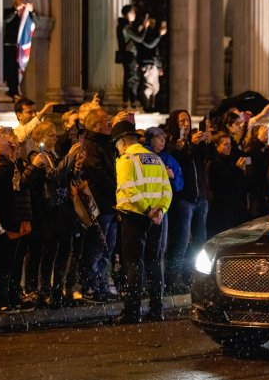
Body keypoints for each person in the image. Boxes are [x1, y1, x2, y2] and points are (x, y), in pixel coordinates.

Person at [111, 120, 172, 323]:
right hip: (156, 220)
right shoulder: (155, 158)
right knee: (154, 264)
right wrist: (160, 211)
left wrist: (147, 210)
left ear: (122, 141)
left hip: (135, 217)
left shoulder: (126, 159)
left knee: (133, 265)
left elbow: (129, 189)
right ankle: (157, 310)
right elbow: (167, 190)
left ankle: (132, 312)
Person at [22, 122, 73, 308]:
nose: (55, 137)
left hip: (60, 210)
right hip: (46, 211)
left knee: (57, 251)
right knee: (41, 253)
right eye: (51, 135)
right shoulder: (38, 156)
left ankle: (54, 290)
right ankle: (37, 290)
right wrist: (70, 158)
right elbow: (53, 175)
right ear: (41, 138)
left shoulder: (53, 155)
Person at [164, 110, 209, 293]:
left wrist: (206, 141)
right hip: (184, 200)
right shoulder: (170, 144)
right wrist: (188, 145)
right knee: (180, 242)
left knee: (199, 242)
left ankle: (194, 277)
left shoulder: (194, 143)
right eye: (182, 121)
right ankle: (173, 279)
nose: (186, 124)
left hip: (200, 199)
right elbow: (177, 159)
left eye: (188, 120)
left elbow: (207, 157)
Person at [76, 109, 118, 303]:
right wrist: (118, 189)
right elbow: (99, 175)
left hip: (110, 205)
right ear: (94, 126)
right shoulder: (92, 146)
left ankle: (100, 285)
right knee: (96, 248)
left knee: (106, 248)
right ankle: (90, 286)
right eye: (106, 121)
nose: (110, 124)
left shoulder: (107, 145)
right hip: (100, 205)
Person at [0, 129, 33, 313]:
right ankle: (2, 297)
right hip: (7, 218)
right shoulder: (0, 165)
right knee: (5, 262)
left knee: (15, 262)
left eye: (14, 143)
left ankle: (13, 294)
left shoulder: (15, 163)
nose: (13, 146)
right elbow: (6, 190)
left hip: (18, 217)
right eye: (8, 143)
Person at [145, 126, 183, 291]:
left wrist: (172, 178)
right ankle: (143, 284)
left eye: (164, 139)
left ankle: (156, 287)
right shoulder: (143, 156)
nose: (162, 141)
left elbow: (179, 184)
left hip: (162, 209)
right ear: (150, 139)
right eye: (159, 137)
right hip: (143, 207)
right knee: (145, 247)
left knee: (160, 247)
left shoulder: (168, 159)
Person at [116, 5, 166, 111]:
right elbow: (139, 39)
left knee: (131, 79)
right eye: (133, 12)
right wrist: (145, 27)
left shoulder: (126, 26)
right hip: (129, 55)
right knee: (131, 79)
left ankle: (130, 102)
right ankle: (130, 102)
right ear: (128, 14)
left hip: (130, 55)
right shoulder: (126, 27)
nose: (134, 15)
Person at [206, 133, 249, 237]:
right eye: (225, 144)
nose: (229, 147)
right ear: (217, 146)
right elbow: (223, 187)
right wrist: (238, 170)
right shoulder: (214, 164)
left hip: (233, 209)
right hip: (221, 211)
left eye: (230, 144)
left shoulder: (230, 161)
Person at [3, 0, 37, 99]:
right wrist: (15, 10)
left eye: (24, 0)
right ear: (14, 0)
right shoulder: (9, 12)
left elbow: (36, 22)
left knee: (19, 70)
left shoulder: (27, 16)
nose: (23, 2)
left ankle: (17, 91)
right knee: (10, 69)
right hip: (10, 46)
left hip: (22, 49)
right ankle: (11, 91)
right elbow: (6, 19)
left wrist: (32, 12)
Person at [242, 124, 269, 218]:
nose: (266, 135)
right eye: (263, 133)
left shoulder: (266, 148)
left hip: (264, 189)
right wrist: (259, 141)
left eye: (267, 133)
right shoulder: (251, 148)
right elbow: (252, 162)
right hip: (254, 190)